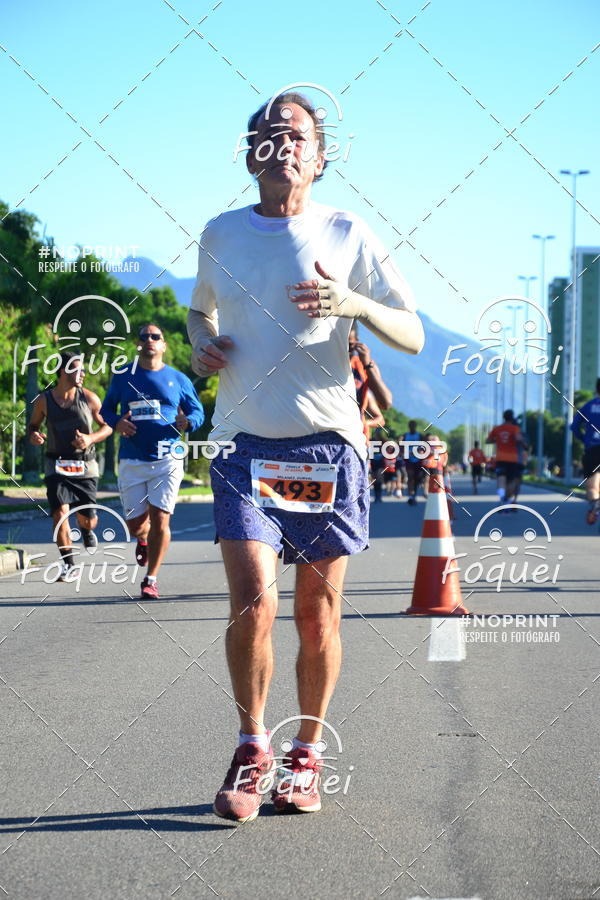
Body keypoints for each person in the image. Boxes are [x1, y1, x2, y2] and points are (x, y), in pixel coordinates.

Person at [187, 91, 424, 822]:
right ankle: (251, 746)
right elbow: (199, 309)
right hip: (243, 447)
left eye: (297, 135)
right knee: (253, 602)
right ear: (249, 154)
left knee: (316, 616)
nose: (282, 143)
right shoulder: (221, 233)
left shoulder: (347, 231)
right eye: (268, 133)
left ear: (320, 158)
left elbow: (412, 332)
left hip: (327, 447)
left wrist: (353, 305)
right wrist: (201, 343)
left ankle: (307, 755)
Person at [101, 324, 204, 598]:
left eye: (155, 336)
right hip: (132, 458)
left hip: (168, 458)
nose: (149, 340)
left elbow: (197, 412)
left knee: (161, 519)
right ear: (138, 344)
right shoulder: (123, 376)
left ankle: (151, 579)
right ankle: (143, 538)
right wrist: (117, 423)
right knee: (135, 525)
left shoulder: (178, 379)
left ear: (163, 345)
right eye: (144, 337)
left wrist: (188, 421)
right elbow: (106, 409)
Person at [28, 352, 112, 581]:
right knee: (59, 514)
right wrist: (35, 435)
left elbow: (108, 427)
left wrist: (90, 438)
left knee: (88, 519)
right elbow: (33, 426)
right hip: (56, 464)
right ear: (63, 371)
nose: (82, 373)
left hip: (85, 465)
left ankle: (86, 529)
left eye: (83, 369)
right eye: (77, 369)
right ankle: (69, 565)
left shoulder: (89, 398)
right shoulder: (44, 400)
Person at [570, 379, 600, 524]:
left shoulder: (588, 406)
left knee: (592, 487)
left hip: (593, 450)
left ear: (597, 389)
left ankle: (596, 506)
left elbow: (574, 427)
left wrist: (584, 439)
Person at [485, 409, 526, 510]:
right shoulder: (515, 428)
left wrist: (498, 439)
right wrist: (524, 444)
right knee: (512, 481)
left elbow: (488, 440)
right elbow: (518, 438)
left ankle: (502, 499)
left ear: (503, 417)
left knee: (501, 481)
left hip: (500, 459)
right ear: (512, 418)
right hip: (512, 459)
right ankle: (507, 499)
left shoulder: (497, 429)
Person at [403, 420, 425, 505]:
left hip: (418, 459)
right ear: (409, 426)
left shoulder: (419, 435)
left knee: (417, 478)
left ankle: (414, 494)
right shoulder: (405, 435)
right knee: (410, 476)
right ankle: (410, 495)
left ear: (415, 426)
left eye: (413, 425)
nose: (412, 427)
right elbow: (401, 446)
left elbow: (425, 446)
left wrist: (420, 451)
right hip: (409, 459)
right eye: (410, 425)